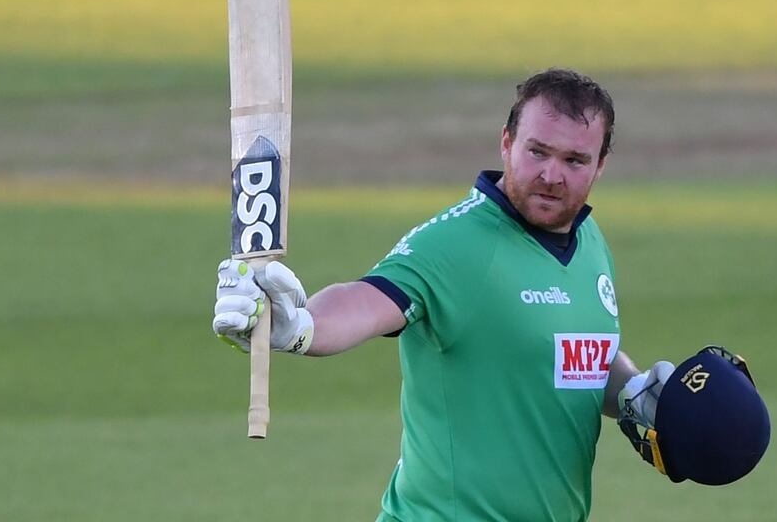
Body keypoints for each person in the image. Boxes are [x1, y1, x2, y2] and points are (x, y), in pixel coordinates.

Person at [213, 68, 676, 521]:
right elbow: (367, 301)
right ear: (507, 142)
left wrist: (634, 389)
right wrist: (301, 327)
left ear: (600, 165)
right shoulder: (454, 245)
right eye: (538, 152)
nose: (552, 175)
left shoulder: (589, 242)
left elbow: (577, 354)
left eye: (575, 161)